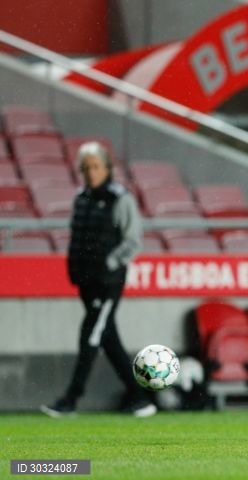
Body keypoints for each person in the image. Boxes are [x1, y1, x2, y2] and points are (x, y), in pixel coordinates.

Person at [41, 142, 156, 418]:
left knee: (90, 335)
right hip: (85, 280)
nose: (91, 172)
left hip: (108, 282)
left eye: (96, 166)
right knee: (108, 338)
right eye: (87, 167)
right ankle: (140, 398)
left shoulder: (121, 199)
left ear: (107, 168)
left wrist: (110, 263)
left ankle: (70, 399)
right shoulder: (80, 197)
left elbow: (133, 241)